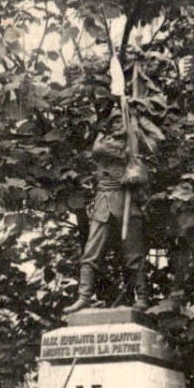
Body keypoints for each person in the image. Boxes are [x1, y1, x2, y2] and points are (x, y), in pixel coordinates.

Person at [65, 130, 149, 314]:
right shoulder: (104, 138)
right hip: (103, 201)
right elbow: (98, 150)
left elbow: (144, 167)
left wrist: (134, 173)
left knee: (133, 255)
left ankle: (142, 297)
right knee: (90, 253)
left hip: (128, 203)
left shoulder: (135, 140)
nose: (116, 125)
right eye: (114, 121)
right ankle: (83, 297)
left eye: (120, 120)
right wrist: (124, 149)